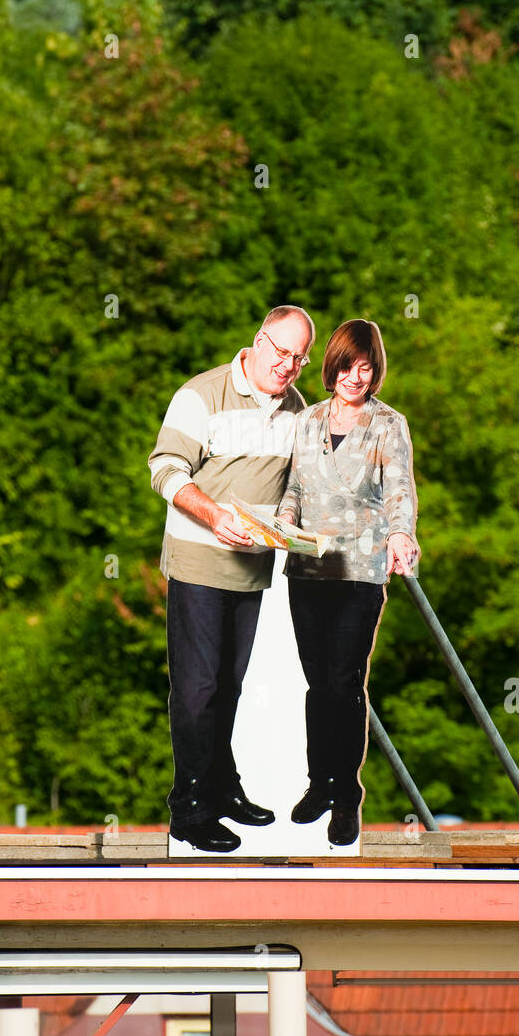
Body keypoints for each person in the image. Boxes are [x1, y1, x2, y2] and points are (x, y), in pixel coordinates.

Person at [148, 306, 315, 853]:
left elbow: (299, 485)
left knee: (227, 687)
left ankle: (223, 787)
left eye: (299, 358)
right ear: (258, 341)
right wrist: (215, 515)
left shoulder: (298, 411)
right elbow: (165, 470)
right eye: (281, 351)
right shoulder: (200, 395)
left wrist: (296, 525)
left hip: (251, 570)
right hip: (198, 561)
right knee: (196, 690)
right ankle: (189, 809)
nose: (288, 365)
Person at [276, 319, 420, 846]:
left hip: (360, 570)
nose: (355, 377)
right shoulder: (307, 421)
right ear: (332, 366)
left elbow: (400, 488)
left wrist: (403, 536)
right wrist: (283, 521)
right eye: (346, 366)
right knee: (317, 684)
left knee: (344, 681)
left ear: (374, 370)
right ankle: (318, 783)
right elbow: (294, 486)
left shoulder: (388, 424)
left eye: (365, 367)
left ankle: (345, 796)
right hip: (308, 568)